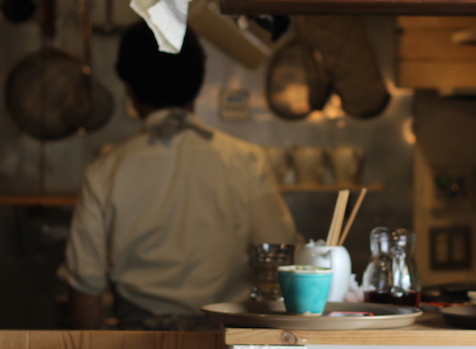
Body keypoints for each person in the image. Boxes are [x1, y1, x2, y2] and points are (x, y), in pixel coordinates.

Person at [59, 21, 300, 330]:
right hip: (224, 341)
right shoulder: (245, 160)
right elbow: (282, 257)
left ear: (130, 91)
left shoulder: (105, 170)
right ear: (198, 84)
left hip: (137, 342)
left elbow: (84, 286)